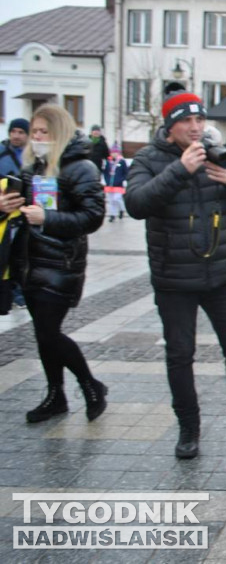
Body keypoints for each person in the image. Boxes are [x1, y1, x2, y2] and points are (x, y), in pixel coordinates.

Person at [125, 84, 226, 460]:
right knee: (180, 355)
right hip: (174, 279)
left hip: (222, 276)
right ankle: (189, 429)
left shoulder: (217, 154)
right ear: (170, 126)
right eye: (187, 121)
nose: (196, 127)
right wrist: (180, 170)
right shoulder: (149, 159)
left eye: (200, 119)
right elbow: (136, 203)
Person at [0, 106, 107, 423]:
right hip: (30, 262)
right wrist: (6, 206)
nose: (36, 137)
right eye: (34, 132)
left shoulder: (81, 168)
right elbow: (20, 209)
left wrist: (49, 217)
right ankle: (55, 394)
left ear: (59, 132)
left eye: (43, 132)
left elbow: (93, 216)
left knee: (49, 333)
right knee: (43, 333)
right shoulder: (35, 166)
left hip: (61, 263)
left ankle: (90, 385)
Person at [0, 118, 30, 308]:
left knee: (20, 254)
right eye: (14, 131)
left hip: (24, 213)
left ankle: (18, 290)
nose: (16, 136)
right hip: (4, 213)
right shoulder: (2, 153)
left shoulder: (30, 157)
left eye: (21, 132)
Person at [102, 144, 129, 222]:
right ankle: (112, 215)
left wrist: (121, 180)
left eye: (115, 152)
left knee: (117, 199)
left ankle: (121, 209)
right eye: (112, 152)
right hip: (109, 185)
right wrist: (107, 180)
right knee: (111, 201)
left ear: (119, 153)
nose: (114, 154)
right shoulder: (108, 161)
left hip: (119, 185)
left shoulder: (122, 161)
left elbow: (126, 172)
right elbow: (105, 172)